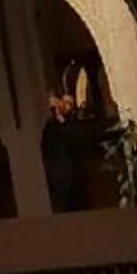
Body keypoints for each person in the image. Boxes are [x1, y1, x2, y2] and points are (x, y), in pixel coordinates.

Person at [41, 72, 87, 212]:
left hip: (73, 175)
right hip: (56, 177)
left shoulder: (71, 124)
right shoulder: (47, 127)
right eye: (65, 103)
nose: (67, 106)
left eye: (70, 104)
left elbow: (77, 143)